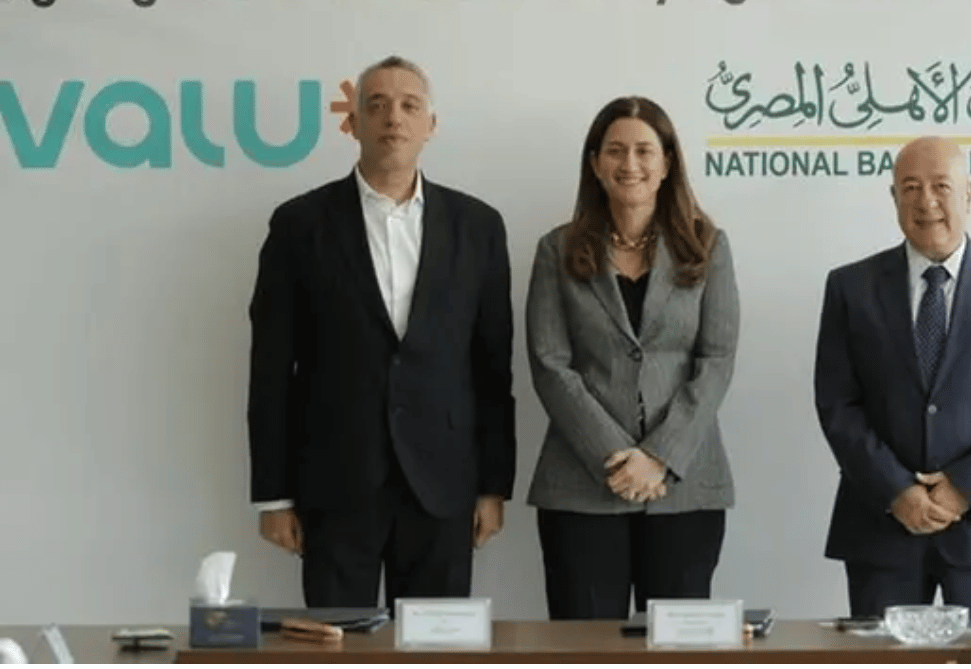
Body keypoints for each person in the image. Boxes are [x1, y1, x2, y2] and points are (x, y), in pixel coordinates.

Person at [246, 55, 516, 608]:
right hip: (335, 481)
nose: (394, 117)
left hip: (444, 486)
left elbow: (492, 369)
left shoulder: (478, 227)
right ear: (353, 124)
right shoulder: (299, 224)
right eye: (377, 105)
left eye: (409, 105)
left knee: (437, 645)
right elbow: (270, 367)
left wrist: (493, 486)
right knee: (339, 643)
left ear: (430, 125)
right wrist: (273, 497)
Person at [813, 135, 971, 624]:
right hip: (882, 528)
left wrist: (965, 486)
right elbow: (837, 402)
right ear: (893, 197)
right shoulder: (849, 287)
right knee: (882, 659)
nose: (925, 201)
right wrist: (896, 491)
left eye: (941, 186)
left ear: (970, 192)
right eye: (910, 187)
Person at [524, 95, 740, 620]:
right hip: (581, 486)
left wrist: (659, 456)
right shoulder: (557, 249)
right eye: (615, 151)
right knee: (585, 649)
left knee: (678, 647)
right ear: (595, 164)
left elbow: (716, 358)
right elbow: (550, 363)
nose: (630, 164)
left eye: (645, 150)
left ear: (667, 163)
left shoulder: (708, 246)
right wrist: (617, 458)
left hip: (684, 485)